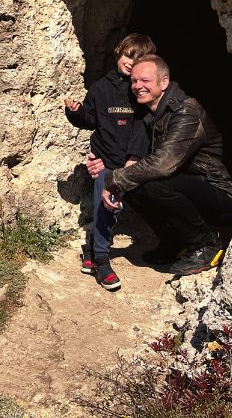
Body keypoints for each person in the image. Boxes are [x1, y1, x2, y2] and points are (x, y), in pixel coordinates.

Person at [96, 55, 232, 276]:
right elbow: (126, 155)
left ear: (163, 83)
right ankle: (174, 242)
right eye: (134, 81)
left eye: (144, 80)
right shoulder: (150, 117)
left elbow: (163, 164)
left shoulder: (186, 112)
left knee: (153, 183)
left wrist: (114, 179)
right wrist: (100, 163)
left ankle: (205, 245)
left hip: (218, 200)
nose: (137, 86)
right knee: (133, 184)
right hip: (188, 191)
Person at [65, 33, 155, 290]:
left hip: (130, 162)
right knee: (106, 207)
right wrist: (75, 112)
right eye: (128, 55)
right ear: (119, 53)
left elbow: (142, 129)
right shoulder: (101, 88)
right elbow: (91, 120)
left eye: (138, 59)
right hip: (103, 160)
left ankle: (92, 251)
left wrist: (132, 163)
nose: (130, 62)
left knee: (113, 206)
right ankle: (102, 260)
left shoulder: (140, 91)